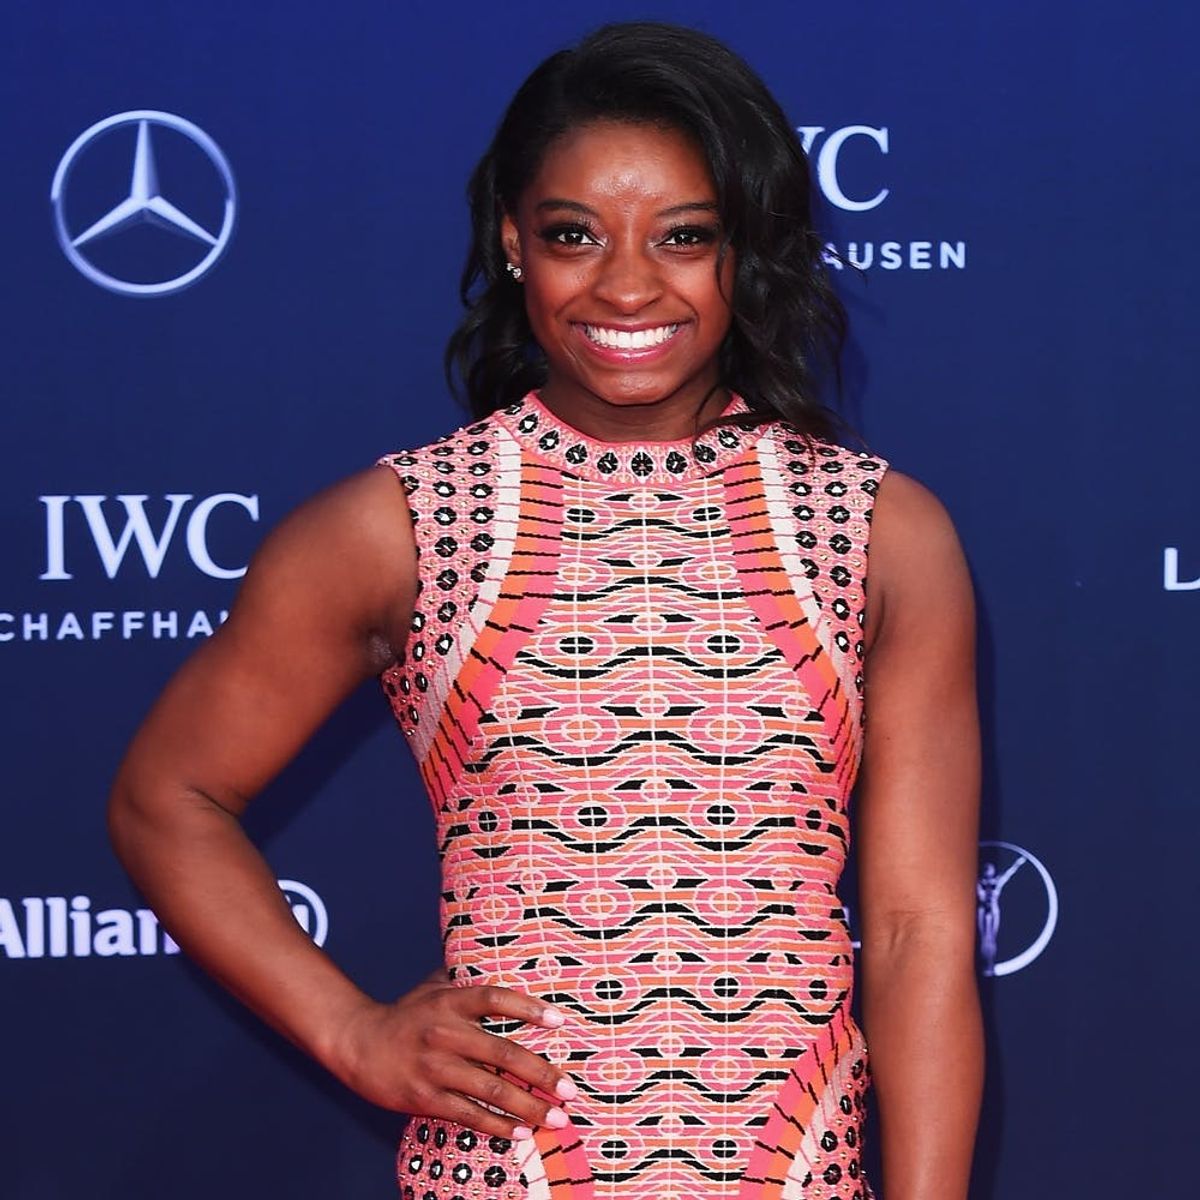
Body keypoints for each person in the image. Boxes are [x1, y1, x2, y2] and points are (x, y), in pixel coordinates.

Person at [109, 21, 983, 1200]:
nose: (627, 285)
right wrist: (351, 1031)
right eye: (575, 234)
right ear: (514, 242)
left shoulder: (882, 532)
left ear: (748, 248)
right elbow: (166, 798)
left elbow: (922, 933)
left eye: (684, 236)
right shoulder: (399, 526)